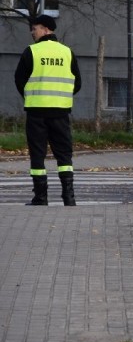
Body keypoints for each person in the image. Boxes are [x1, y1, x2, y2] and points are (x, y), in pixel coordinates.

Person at [14, 14, 81, 206]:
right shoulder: (67, 52)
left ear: (44, 29)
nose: (32, 33)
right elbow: (77, 83)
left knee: (37, 154)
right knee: (64, 155)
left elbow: (19, 80)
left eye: (34, 29)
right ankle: (69, 197)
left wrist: (32, 96)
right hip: (60, 112)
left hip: (36, 112)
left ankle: (40, 197)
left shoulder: (31, 52)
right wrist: (62, 97)